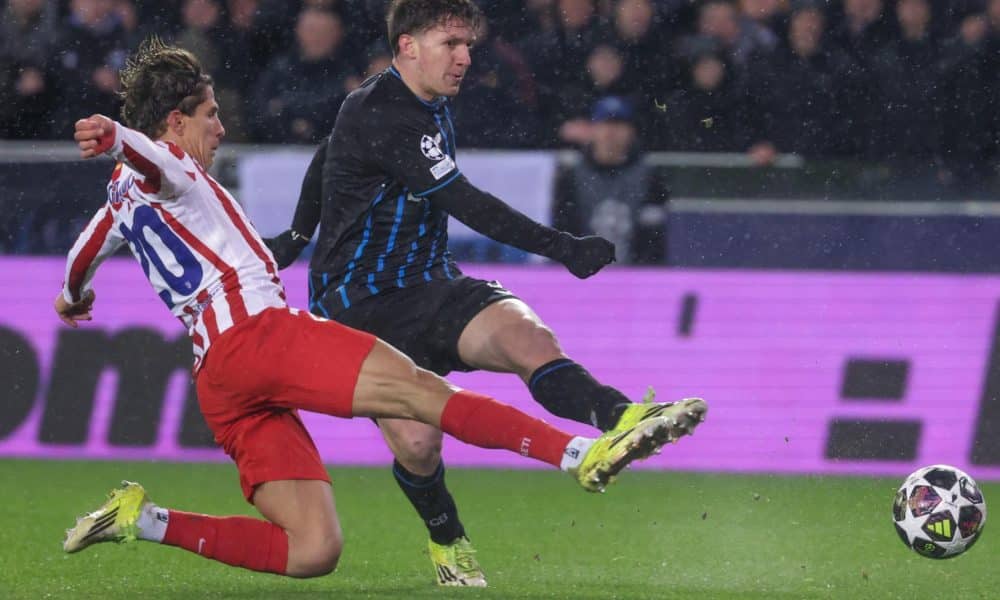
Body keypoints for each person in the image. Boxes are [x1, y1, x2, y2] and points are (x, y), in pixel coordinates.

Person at [57, 38, 707, 581]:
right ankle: (579, 455)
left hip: (220, 383)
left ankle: (142, 518)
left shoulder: (120, 200)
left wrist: (71, 295)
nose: (221, 127)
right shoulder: (163, 160)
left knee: (314, 550)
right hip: (258, 336)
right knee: (423, 394)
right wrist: (116, 135)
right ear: (174, 122)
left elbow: (83, 252)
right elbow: (146, 158)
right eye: (209, 115)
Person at [265, 0, 706, 587]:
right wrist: (561, 246)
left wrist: (296, 236)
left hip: (431, 281)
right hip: (361, 306)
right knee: (420, 446)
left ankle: (622, 416)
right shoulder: (382, 111)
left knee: (528, 338)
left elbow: (326, 153)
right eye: (451, 44)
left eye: (468, 44)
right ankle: (447, 539)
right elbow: (466, 203)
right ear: (408, 47)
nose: (465, 57)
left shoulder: (417, 100)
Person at [552, 96, 668, 265]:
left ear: (631, 131)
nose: (611, 132)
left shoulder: (650, 177)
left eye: (619, 125)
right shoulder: (571, 176)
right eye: (605, 124)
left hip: (636, 274)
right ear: (593, 130)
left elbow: (654, 237)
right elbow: (563, 229)